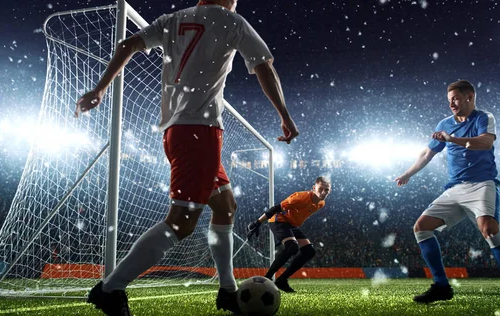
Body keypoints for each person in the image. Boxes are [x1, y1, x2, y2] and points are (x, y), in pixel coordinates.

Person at [76, 0, 299, 315]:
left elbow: (128, 44)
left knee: (225, 206)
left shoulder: (173, 19)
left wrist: (99, 89)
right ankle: (110, 289)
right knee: (181, 223)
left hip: (176, 130)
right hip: (200, 132)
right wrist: (285, 116)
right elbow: (264, 66)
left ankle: (227, 291)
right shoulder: (231, 21)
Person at [394, 80, 500, 306]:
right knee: (421, 228)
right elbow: (428, 152)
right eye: (449, 100)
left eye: (456, 98)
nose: (452, 104)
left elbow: (485, 143)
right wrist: (408, 173)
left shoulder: (484, 117)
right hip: (455, 187)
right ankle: (442, 286)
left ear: (470, 97)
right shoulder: (445, 123)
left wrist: (452, 139)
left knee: (489, 230)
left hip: (482, 184)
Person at [246, 177, 330, 293]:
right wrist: (257, 222)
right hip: (279, 220)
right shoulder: (301, 198)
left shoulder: (321, 203)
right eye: (321, 189)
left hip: (291, 224)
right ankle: (267, 278)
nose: (324, 192)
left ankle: (282, 280)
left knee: (309, 251)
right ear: (314, 188)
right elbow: (276, 208)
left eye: (327, 190)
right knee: (292, 247)